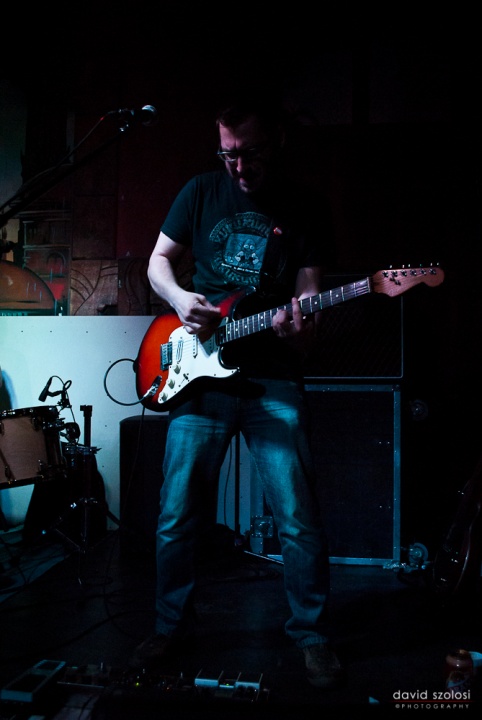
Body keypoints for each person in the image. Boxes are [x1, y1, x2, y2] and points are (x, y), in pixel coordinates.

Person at [130, 90, 344, 689]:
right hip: (197, 372)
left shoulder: (305, 207)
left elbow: (308, 299)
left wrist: (300, 324)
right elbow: (158, 263)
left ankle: (311, 634)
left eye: (249, 153)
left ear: (277, 142)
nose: (239, 167)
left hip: (272, 374)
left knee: (296, 515)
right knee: (176, 514)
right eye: (228, 154)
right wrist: (180, 299)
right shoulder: (200, 191)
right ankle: (170, 626)